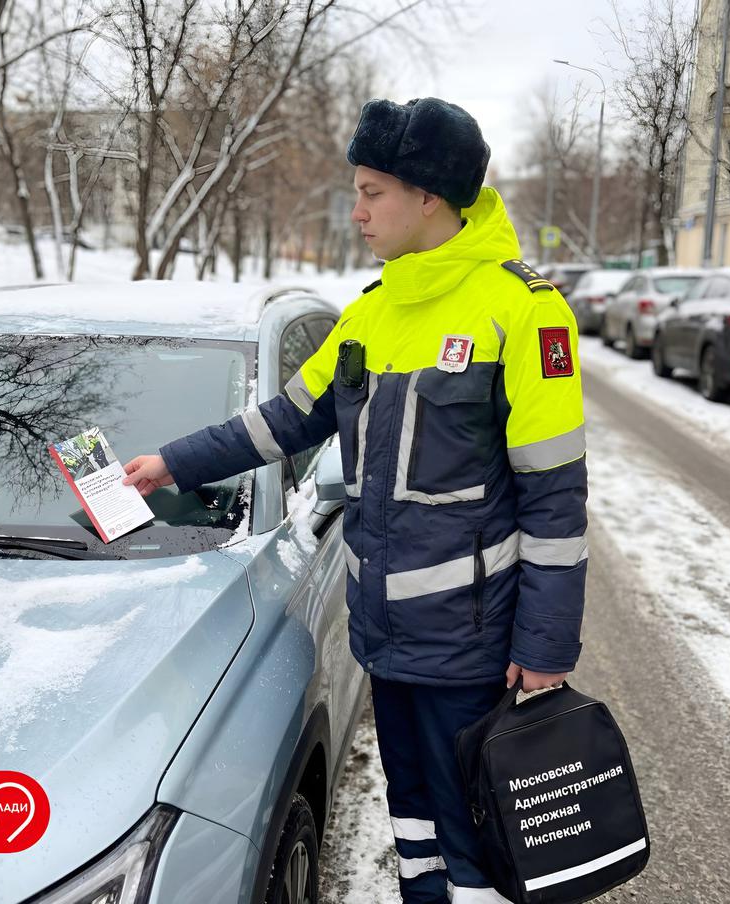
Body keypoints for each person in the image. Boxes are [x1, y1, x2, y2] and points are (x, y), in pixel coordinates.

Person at [122, 96, 588, 904]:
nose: (358, 211)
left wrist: (546, 645)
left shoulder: (524, 311)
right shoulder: (370, 314)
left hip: (469, 646)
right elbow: (285, 420)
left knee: (477, 840)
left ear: (428, 196)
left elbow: (555, 501)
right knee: (414, 824)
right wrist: (171, 463)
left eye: (372, 192)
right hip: (383, 639)